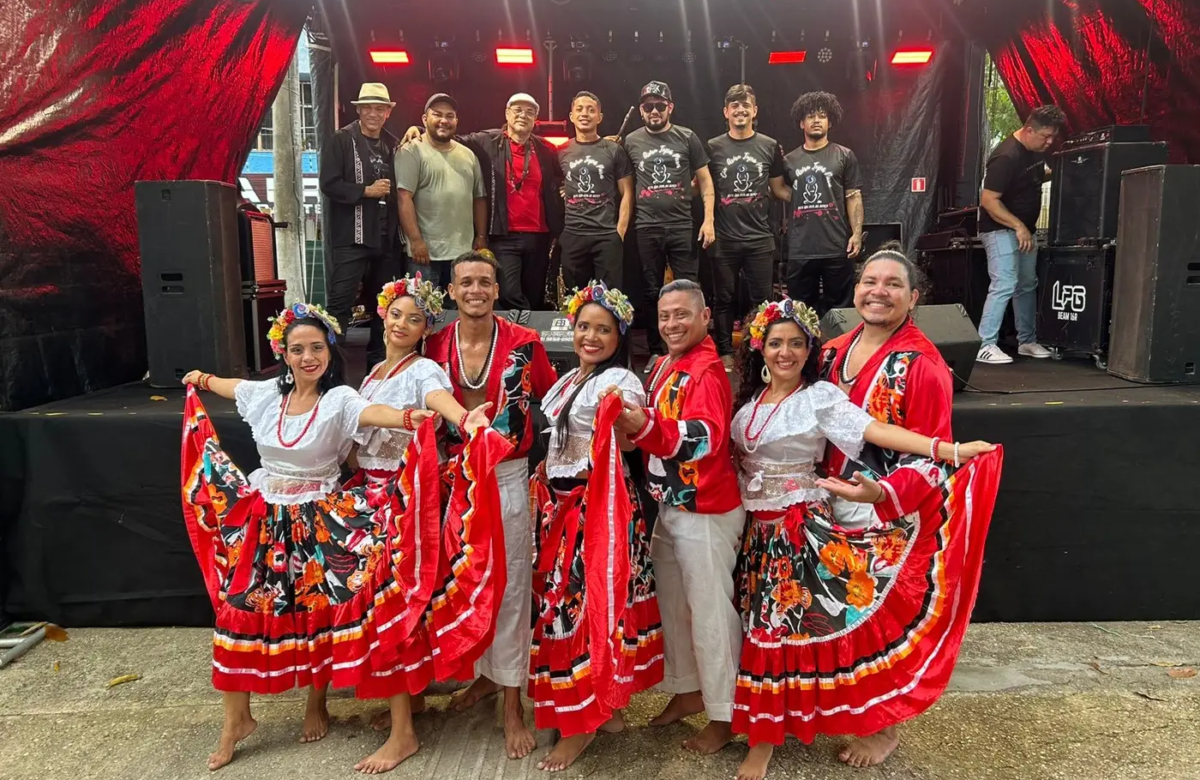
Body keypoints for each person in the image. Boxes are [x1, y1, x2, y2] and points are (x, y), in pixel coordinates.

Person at [727, 296, 1000, 780]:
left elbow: (878, 431)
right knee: (771, 634)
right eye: (775, 343)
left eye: (795, 343)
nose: (784, 352)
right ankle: (781, 721)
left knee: (773, 635)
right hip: (757, 534)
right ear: (759, 348)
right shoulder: (748, 400)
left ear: (809, 349)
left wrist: (948, 448)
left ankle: (763, 745)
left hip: (797, 532)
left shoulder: (819, 398)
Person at [180, 303, 444, 772]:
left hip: (321, 519)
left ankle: (356, 716)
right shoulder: (265, 395)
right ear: (282, 351)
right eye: (297, 348)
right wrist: (200, 380)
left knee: (342, 608)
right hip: (265, 520)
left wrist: (409, 419)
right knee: (237, 610)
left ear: (329, 351)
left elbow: (374, 412)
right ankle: (236, 720)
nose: (307, 357)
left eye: (316, 348)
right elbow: (229, 386)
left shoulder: (340, 400)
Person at [796, 244, 1004, 769]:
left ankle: (883, 727)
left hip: (886, 511)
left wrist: (880, 496)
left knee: (877, 622)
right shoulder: (831, 351)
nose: (878, 291)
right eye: (870, 281)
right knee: (831, 614)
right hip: (827, 501)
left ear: (913, 297)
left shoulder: (923, 365)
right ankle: (845, 707)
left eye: (892, 284)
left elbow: (933, 453)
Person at [349, 274, 499, 757]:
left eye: (415, 319)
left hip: (401, 499)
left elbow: (440, 401)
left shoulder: (424, 371)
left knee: (395, 603)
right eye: (397, 314)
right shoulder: (373, 375)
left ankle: (403, 734)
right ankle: (406, 709)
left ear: (424, 329)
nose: (403, 324)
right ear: (383, 315)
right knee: (383, 603)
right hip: (368, 495)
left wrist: (464, 418)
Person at [424, 250, 558, 759]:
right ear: (452, 291)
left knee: (510, 586)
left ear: (497, 290)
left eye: (485, 281)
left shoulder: (525, 343)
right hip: (456, 480)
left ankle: (511, 704)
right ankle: (481, 678)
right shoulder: (434, 344)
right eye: (466, 283)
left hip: (507, 475)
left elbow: (551, 399)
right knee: (464, 582)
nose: (476, 290)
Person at [529, 281, 663, 771]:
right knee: (563, 610)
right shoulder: (567, 380)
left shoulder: (621, 383)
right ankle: (601, 711)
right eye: (584, 326)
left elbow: (630, 435)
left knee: (585, 613)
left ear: (619, 335)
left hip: (595, 513)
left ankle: (581, 725)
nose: (590, 336)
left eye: (603, 330)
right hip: (559, 509)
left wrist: (624, 422)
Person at [610, 279, 743, 755]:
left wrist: (640, 425)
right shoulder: (667, 362)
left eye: (682, 315)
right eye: (665, 316)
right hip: (672, 503)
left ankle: (725, 714)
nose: (671, 324)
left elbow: (703, 438)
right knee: (674, 604)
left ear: (706, 317)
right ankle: (689, 690)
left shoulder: (706, 370)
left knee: (709, 612)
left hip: (705, 507)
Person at [622, 81, 716, 370]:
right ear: (641, 110)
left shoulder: (687, 137)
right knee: (651, 291)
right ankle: (656, 351)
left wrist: (708, 220)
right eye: (648, 106)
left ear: (670, 107)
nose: (654, 110)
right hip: (646, 227)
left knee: (688, 290)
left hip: (681, 225)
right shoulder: (630, 141)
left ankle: (693, 351)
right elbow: (623, 185)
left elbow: (706, 181)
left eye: (660, 105)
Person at [706, 84, 788, 372]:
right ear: (726, 112)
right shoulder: (713, 147)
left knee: (762, 301)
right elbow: (703, 186)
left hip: (759, 238)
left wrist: (816, 200)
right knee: (724, 299)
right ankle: (726, 352)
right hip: (725, 237)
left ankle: (757, 350)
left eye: (746, 105)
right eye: (734, 105)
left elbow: (779, 189)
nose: (740, 110)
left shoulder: (768, 145)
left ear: (754, 111)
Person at [319, 83, 402, 365]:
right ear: (358, 109)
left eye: (380, 108)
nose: (373, 113)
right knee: (339, 305)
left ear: (388, 112)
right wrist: (366, 191)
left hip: (385, 239)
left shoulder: (394, 143)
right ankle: (328, 368)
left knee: (385, 307)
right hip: (351, 238)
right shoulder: (341, 140)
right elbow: (328, 184)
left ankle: (378, 367)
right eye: (368, 107)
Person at [976, 105, 1066, 364]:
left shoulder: (1035, 153)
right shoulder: (1006, 157)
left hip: (1024, 230)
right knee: (1004, 283)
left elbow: (1033, 179)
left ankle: (1026, 340)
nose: (1049, 142)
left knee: (1026, 284)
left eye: (1052, 137)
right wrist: (1018, 226)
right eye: (1045, 137)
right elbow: (989, 200)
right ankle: (985, 343)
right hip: (1000, 230)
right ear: (1028, 130)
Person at [396, 94, 489, 290]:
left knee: (459, 312)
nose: (444, 120)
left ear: (456, 121)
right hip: (424, 255)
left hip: (463, 254)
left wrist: (481, 236)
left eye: (450, 116)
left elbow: (479, 198)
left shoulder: (468, 154)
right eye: (437, 114)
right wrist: (415, 240)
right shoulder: (411, 150)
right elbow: (404, 197)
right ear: (424, 119)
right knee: (423, 312)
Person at [783, 91, 863, 315]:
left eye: (822, 115)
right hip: (800, 249)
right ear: (801, 123)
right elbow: (779, 190)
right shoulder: (788, 161)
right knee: (800, 314)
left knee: (841, 313)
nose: (816, 120)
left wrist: (856, 234)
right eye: (810, 116)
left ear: (830, 121)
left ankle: (838, 350)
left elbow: (853, 195)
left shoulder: (845, 156)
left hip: (836, 247)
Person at [558, 92, 634, 290]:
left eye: (591, 110)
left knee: (610, 299)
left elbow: (627, 192)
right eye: (580, 109)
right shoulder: (561, 151)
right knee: (574, 298)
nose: (585, 114)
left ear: (599, 117)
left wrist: (620, 231)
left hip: (606, 235)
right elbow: (554, 184)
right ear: (571, 116)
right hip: (573, 233)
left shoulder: (614, 150)